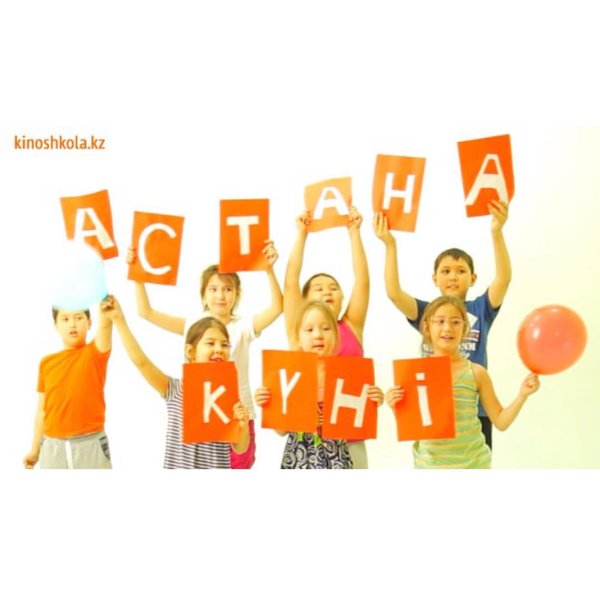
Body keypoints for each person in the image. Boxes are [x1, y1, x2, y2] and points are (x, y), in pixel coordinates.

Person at [127, 240, 282, 468]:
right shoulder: (194, 325)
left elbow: (277, 308)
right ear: (203, 294)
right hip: (202, 412)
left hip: (238, 413)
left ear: (237, 294)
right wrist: (137, 274)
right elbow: (146, 312)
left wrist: (269, 270)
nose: (221, 295)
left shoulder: (243, 326)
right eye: (213, 289)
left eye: (228, 289)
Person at [373, 199, 511, 449]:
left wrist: (497, 232)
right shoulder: (428, 313)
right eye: (445, 271)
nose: (453, 276)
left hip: (474, 410)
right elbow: (394, 292)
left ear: (473, 278)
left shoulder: (481, 309)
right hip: (432, 408)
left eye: (460, 270)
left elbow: (503, 278)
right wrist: (389, 245)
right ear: (434, 278)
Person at [385, 295, 540, 468]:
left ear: (465, 329)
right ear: (426, 327)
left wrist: (522, 395)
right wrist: (395, 407)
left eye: (455, 322)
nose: (447, 328)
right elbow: (416, 428)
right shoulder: (415, 375)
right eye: (440, 321)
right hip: (429, 466)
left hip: (473, 465)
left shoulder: (476, 372)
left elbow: (500, 421)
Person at [104, 298, 250, 468]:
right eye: (210, 343)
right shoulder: (176, 389)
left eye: (225, 345)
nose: (219, 349)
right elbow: (141, 362)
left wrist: (243, 425)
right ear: (191, 352)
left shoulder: (229, 395)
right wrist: (119, 320)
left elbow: (240, 448)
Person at [283, 206, 370, 467]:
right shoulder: (298, 331)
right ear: (305, 300)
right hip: (308, 442)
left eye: (333, 288)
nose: (327, 292)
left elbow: (363, 281)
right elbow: (290, 282)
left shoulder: (351, 326)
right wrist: (301, 234)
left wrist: (354, 232)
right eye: (318, 288)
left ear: (342, 297)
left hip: (350, 435)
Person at [256, 300, 382, 469]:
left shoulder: (347, 376)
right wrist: (269, 404)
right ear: (298, 338)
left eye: (326, 328)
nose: (318, 335)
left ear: (336, 336)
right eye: (309, 330)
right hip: (300, 459)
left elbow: (358, 419)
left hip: (337, 458)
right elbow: (281, 431)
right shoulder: (290, 377)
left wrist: (374, 399)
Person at [23, 297, 114, 469]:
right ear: (56, 326)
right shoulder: (46, 363)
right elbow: (41, 411)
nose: (72, 324)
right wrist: (34, 451)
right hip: (52, 447)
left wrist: (104, 305)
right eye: (65, 319)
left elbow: (105, 325)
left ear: (89, 323)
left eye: (78, 317)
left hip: (91, 444)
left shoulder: (95, 353)